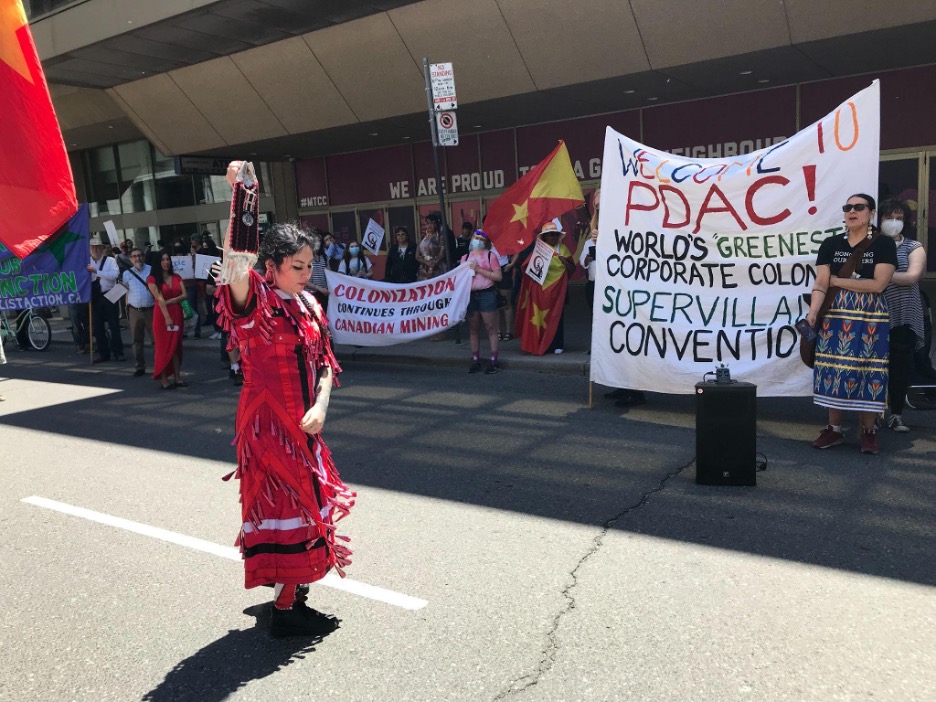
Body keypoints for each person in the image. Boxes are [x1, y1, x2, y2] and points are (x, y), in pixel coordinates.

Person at [216, 209, 351, 638]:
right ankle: (286, 607)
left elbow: (327, 364)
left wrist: (321, 406)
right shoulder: (256, 299)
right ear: (270, 267)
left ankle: (289, 595)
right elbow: (236, 260)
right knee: (289, 508)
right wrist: (241, 197)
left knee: (307, 507)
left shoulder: (310, 303)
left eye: (311, 265)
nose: (307, 274)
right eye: (297, 266)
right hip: (269, 428)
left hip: (306, 427)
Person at [808, 194, 897, 454]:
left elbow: (878, 284)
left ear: (870, 213)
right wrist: (813, 312)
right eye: (848, 207)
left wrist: (838, 281)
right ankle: (833, 430)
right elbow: (821, 282)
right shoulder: (831, 243)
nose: (852, 211)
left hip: (870, 316)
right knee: (835, 367)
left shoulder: (883, 244)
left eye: (859, 207)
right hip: (834, 315)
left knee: (870, 369)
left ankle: (869, 431)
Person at [879, 198, 926, 432]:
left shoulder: (914, 246)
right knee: (872, 366)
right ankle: (871, 414)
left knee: (899, 367)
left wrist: (878, 277)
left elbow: (912, 277)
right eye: (889, 218)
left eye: (899, 218)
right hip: (874, 315)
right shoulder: (870, 246)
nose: (893, 222)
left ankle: (896, 414)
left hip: (903, 316)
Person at [515, 222, 574, 355]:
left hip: (559, 291)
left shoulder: (563, 249)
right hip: (541, 291)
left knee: (557, 318)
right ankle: (541, 343)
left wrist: (565, 262)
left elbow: (571, 269)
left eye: (555, 234)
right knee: (540, 318)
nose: (553, 237)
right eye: (550, 235)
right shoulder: (539, 250)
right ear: (545, 237)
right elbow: (527, 269)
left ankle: (558, 344)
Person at [462, 229, 503, 374]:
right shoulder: (465, 257)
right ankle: (475, 359)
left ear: (486, 242)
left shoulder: (491, 256)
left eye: (480, 238)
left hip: (487, 293)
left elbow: (498, 277)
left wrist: (479, 269)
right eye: (475, 237)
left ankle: (494, 360)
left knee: (490, 327)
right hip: (471, 295)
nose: (477, 240)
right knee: (473, 328)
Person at [147, 251, 187, 390]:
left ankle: (177, 377)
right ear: (158, 262)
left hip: (177, 313)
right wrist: (167, 317)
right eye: (163, 260)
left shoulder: (176, 277)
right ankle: (164, 379)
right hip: (162, 316)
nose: (166, 262)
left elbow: (184, 294)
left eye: (168, 259)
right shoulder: (152, 279)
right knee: (163, 347)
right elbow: (159, 299)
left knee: (176, 346)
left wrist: (172, 300)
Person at [88, 235, 125, 363]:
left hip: (110, 294)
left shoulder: (110, 260)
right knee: (97, 327)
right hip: (95, 297)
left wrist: (96, 271)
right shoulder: (86, 261)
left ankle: (118, 352)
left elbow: (114, 275)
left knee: (114, 325)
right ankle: (103, 353)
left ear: (102, 249)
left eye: (98, 247)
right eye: (93, 247)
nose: (96, 250)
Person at [122, 248, 155, 377]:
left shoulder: (151, 270)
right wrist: (126, 309)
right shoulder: (126, 274)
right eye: (134, 256)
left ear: (143, 257)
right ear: (130, 259)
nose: (138, 258)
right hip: (134, 310)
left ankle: (159, 364)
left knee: (155, 339)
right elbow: (125, 292)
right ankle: (140, 366)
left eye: (140, 255)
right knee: (136, 340)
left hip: (151, 309)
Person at [417, 213, 448, 281]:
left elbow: (442, 254)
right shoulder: (422, 237)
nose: (429, 225)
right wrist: (426, 262)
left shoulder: (440, 237)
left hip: (438, 267)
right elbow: (417, 255)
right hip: (424, 268)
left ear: (436, 224)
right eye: (427, 223)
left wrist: (432, 265)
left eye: (432, 223)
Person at [306, 229, 330, 307]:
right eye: (315, 241)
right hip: (311, 295)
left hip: (325, 294)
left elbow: (330, 274)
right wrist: (319, 288)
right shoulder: (305, 258)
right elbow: (303, 280)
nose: (317, 243)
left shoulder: (324, 257)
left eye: (319, 241)